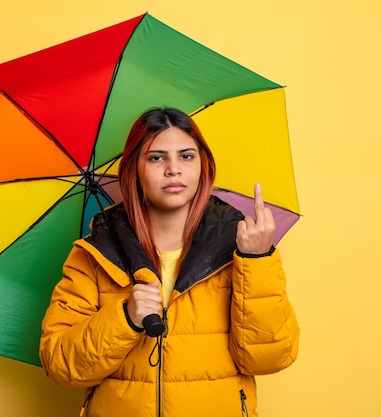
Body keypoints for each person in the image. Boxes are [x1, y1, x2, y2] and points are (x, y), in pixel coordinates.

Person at [40, 108, 299, 417]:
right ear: (134, 168)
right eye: (156, 158)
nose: (174, 169)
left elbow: (269, 359)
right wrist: (124, 317)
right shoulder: (94, 254)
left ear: (203, 165)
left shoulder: (242, 246)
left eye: (187, 156)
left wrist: (256, 260)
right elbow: (60, 367)